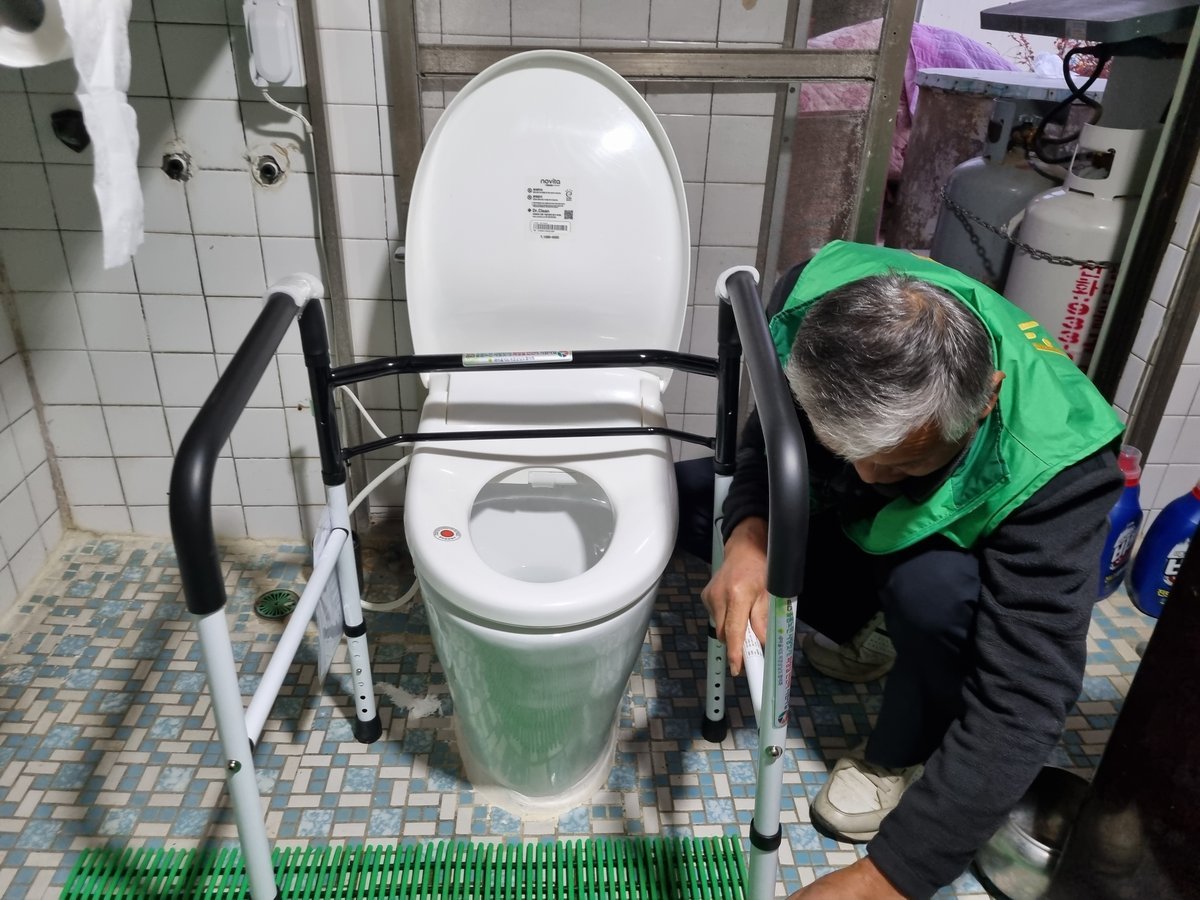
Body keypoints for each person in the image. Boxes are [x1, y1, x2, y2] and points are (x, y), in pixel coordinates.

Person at [701, 241, 1124, 899]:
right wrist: (749, 534)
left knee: (932, 595)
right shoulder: (809, 306)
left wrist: (889, 877)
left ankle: (904, 752)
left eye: (902, 461)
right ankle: (872, 623)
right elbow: (771, 433)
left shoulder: (1062, 466)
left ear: (986, 400)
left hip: (954, 566)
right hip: (872, 514)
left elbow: (1024, 697)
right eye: (850, 448)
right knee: (695, 501)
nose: (871, 475)